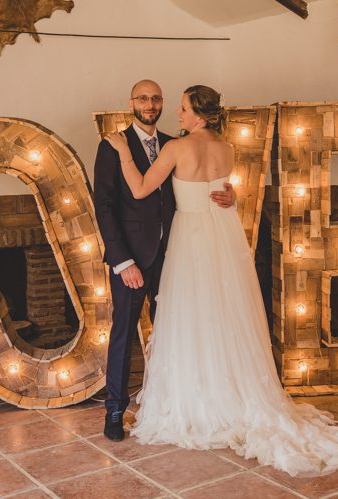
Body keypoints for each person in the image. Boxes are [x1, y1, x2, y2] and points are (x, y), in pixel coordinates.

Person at [103, 85, 338, 477]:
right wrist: (228, 196)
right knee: (224, 314)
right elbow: (221, 190)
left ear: (198, 114)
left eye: (181, 108)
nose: (176, 114)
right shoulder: (227, 149)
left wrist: (124, 153)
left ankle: (198, 400)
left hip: (191, 237)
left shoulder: (176, 148)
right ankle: (229, 393)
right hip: (223, 235)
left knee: (190, 318)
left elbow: (142, 188)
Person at [93, 80, 235, 442]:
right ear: (131, 102)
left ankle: (174, 401)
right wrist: (123, 261)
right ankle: (114, 410)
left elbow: (190, 188)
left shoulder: (176, 143)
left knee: (175, 332)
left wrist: (226, 194)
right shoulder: (113, 146)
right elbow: (105, 208)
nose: (151, 104)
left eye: (156, 98)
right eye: (143, 97)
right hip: (133, 258)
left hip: (175, 254)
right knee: (124, 332)